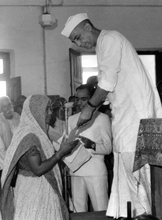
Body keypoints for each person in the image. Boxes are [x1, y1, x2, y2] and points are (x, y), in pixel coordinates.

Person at [61, 13, 162, 218]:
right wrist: (95, 106)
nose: (80, 43)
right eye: (75, 41)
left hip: (136, 117)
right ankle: (135, 213)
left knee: (138, 168)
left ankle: (144, 213)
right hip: (129, 116)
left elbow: (106, 83)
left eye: (79, 37)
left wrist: (89, 108)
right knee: (129, 168)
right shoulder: (104, 45)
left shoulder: (110, 39)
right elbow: (110, 87)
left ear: (88, 26)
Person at [0, 94, 79, 220]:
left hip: (30, 186)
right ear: (35, 111)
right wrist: (60, 153)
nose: (50, 113)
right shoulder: (30, 136)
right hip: (35, 190)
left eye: (51, 109)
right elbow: (38, 169)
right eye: (47, 109)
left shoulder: (32, 129)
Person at [67, 84, 112, 212]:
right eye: (77, 99)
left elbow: (108, 148)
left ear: (92, 99)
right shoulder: (71, 120)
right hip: (76, 172)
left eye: (84, 99)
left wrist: (92, 145)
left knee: (100, 210)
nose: (80, 103)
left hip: (95, 172)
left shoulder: (102, 118)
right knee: (78, 211)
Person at [0, 96, 20, 175]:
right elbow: (1, 149)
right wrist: (9, 165)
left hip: (19, 158)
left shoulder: (18, 117)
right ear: (1, 109)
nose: (8, 108)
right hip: (4, 162)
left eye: (9, 105)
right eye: (5, 106)